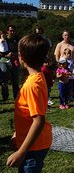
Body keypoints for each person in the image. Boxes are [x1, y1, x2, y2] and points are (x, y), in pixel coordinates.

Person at [6, 34, 52, 172]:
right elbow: (27, 113)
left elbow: (38, 121)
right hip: (32, 143)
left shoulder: (32, 85)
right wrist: (17, 134)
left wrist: (21, 152)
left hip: (33, 148)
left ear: (21, 56)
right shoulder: (37, 76)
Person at [0, 25, 20, 100]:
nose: (12, 32)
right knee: (4, 80)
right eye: (10, 31)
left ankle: (16, 96)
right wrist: (5, 55)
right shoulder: (3, 39)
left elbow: (20, 51)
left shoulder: (17, 40)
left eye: (13, 31)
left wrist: (12, 54)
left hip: (14, 61)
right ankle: (5, 96)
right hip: (4, 61)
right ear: (7, 31)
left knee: (15, 80)